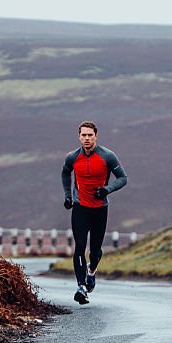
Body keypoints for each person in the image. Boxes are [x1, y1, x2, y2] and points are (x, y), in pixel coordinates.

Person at [61, 120, 127, 305]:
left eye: (90, 135)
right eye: (83, 135)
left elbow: (123, 178)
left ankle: (91, 272)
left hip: (100, 209)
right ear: (79, 136)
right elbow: (65, 173)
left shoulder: (108, 156)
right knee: (80, 246)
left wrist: (107, 189)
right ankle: (81, 287)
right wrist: (68, 196)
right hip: (80, 207)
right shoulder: (72, 157)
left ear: (96, 136)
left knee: (96, 251)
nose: (87, 138)